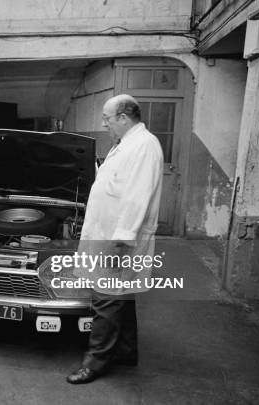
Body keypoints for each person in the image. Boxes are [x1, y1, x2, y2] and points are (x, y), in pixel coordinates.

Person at [66, 94, 163, 384]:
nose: (104, 123)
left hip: (118, 239)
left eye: (107, 118)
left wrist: (122, 239)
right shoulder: (127, 144)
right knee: (121, 296)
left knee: (105, 300)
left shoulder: (144, 146)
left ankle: (95, 362)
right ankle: (126, 350)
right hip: (111, 234)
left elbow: (137, 197)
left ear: (123, 117)